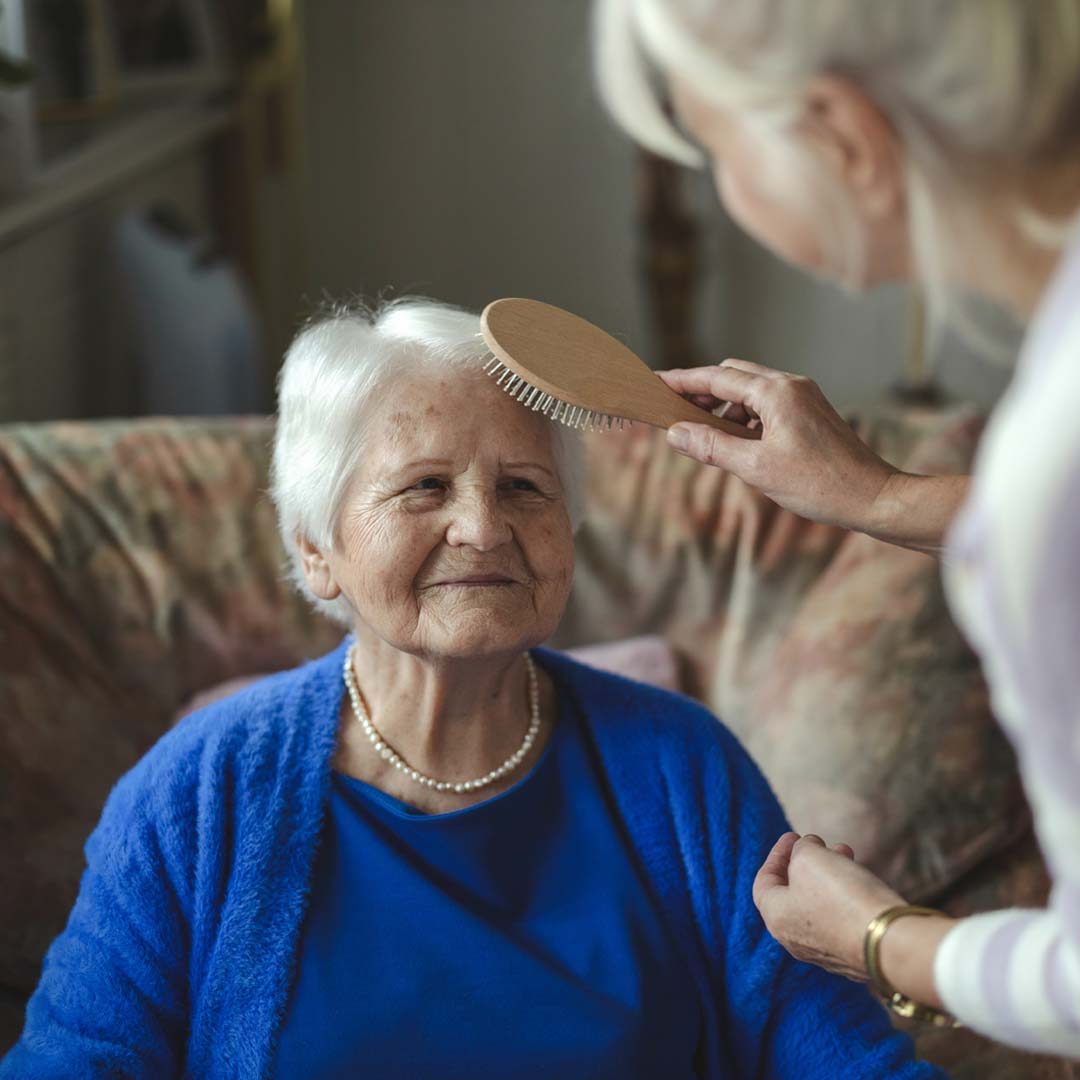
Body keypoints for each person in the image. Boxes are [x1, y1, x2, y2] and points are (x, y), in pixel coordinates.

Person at [0, 300, 945, 1078]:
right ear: (316, 550)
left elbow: (848, 1063)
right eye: (423, 486)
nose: (484, 529)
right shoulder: (198, 792)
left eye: (525, 487)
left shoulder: (682, 769)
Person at [594, 0, 1080, 1059]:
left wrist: (880, 938)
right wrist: (877, 495)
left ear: (843, 137)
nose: (726, 192)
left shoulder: (1051, 473)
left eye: (714, 148)